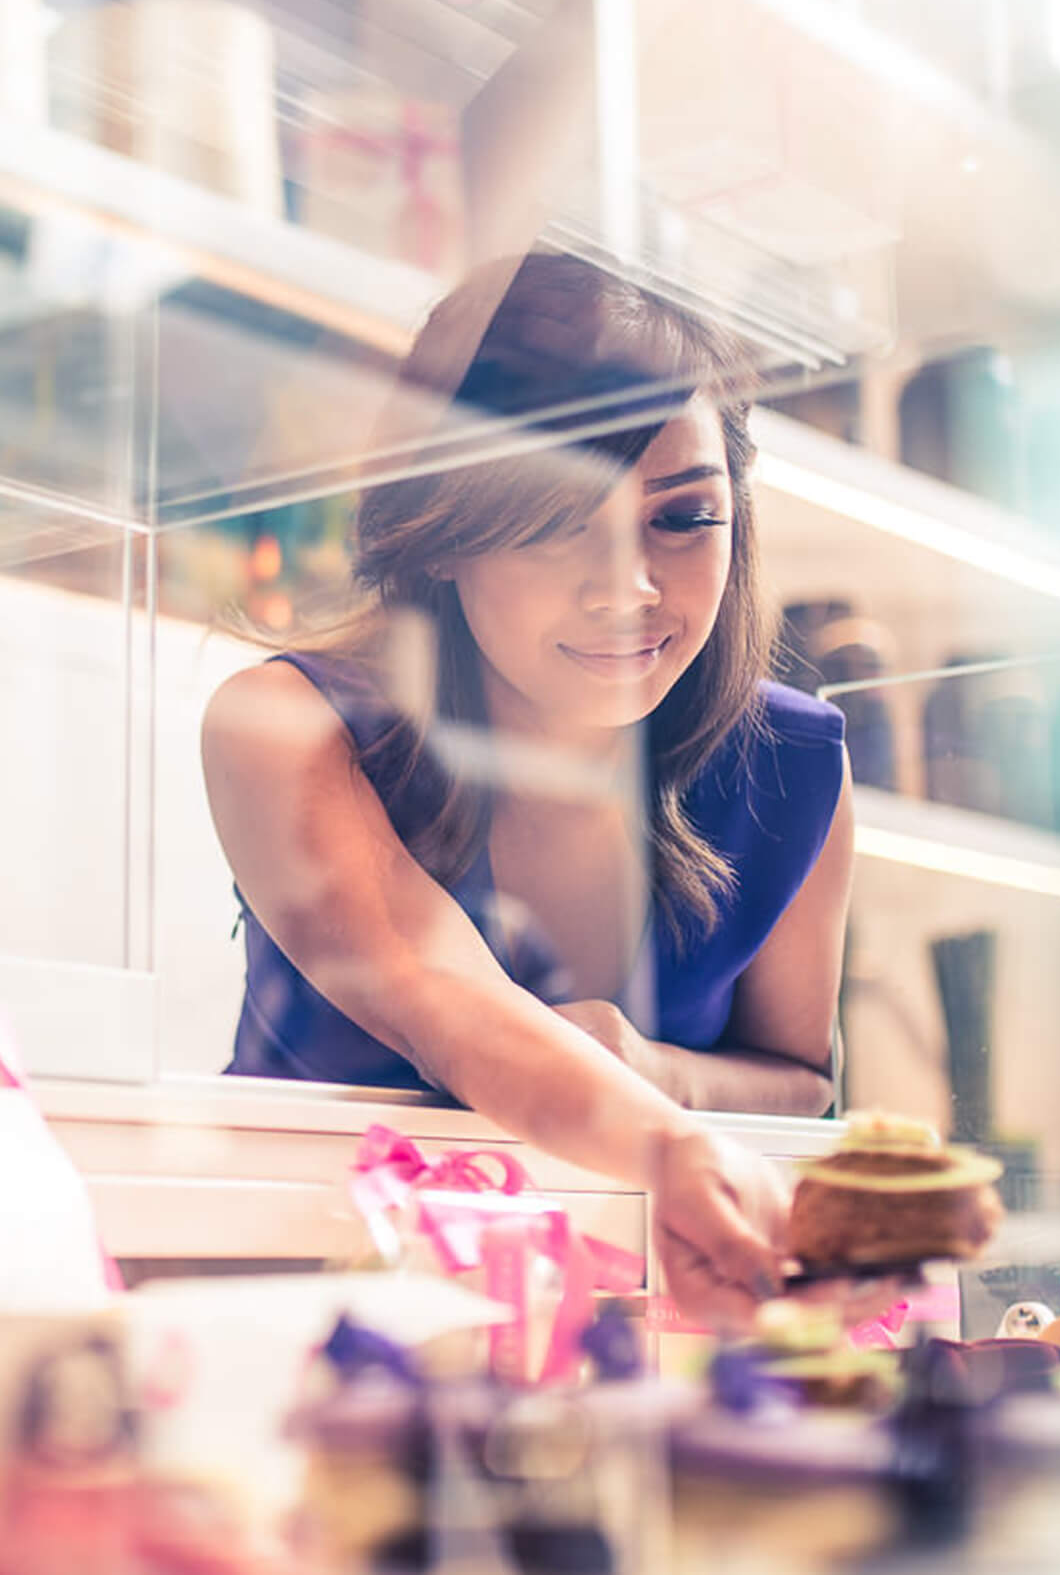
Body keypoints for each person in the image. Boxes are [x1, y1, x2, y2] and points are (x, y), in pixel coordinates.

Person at [204, 252, 855, 1326]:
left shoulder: (795, 763)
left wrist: (658, 1071)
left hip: (636, 1324)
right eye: (555, 520)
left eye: (683, 519)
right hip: (301, 1313)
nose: (628, 589)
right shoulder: (284, 726)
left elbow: (796, 1077)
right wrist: (664, 1143)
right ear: (442, 530)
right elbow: (441, 996)